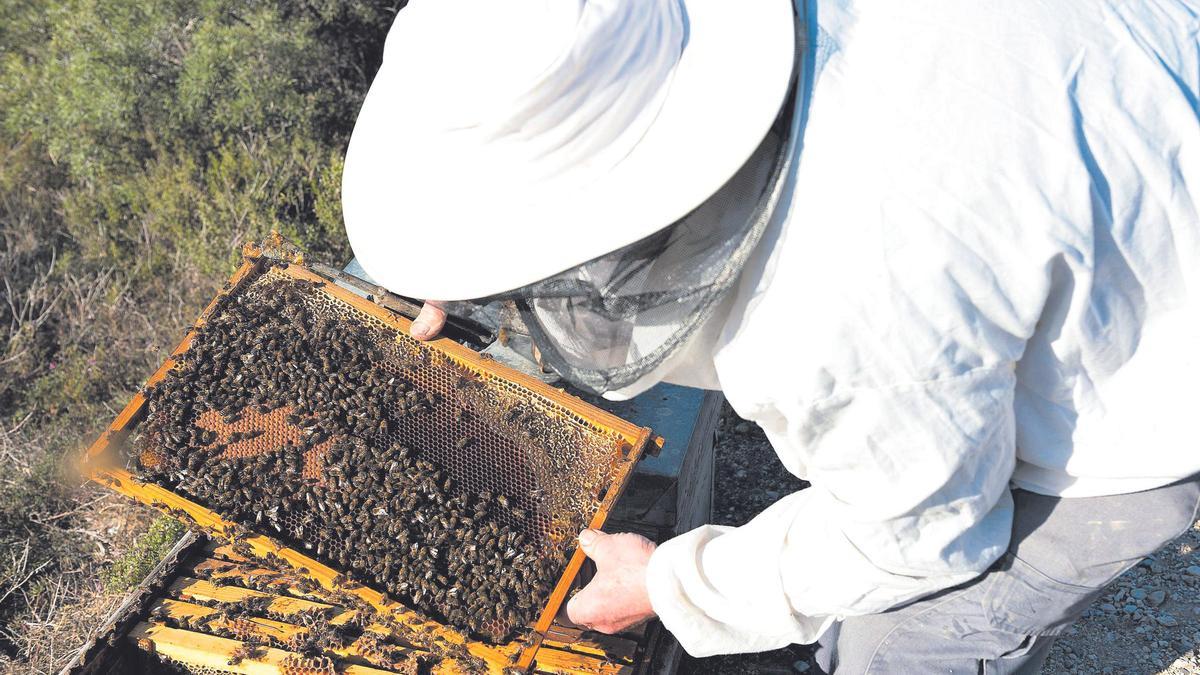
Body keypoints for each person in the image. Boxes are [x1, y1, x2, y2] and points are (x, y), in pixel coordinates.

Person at [339, 0, 1200, 671]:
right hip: (1131, 106)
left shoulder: (846, 294)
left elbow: (925, 530)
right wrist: (473, 266)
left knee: (902, 646)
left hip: (1156, 379)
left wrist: (674, 586)